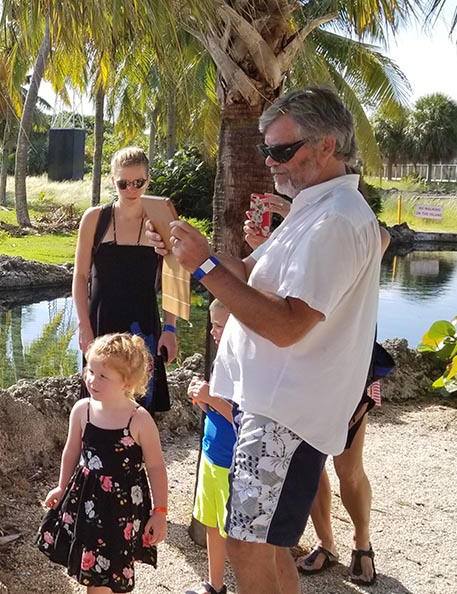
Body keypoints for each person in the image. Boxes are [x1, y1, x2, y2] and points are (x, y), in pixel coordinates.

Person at [149, 86, 382, 594]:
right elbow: (250, 270)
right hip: (273, 406)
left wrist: (204, 266)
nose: (271, 162)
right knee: (266, 544)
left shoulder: (338, 220)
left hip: (287, 414)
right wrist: (186, 248)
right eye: (266, 150)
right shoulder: (312, 208)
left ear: (327, 146)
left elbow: (288, 324)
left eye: (282, 150)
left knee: (247, 544)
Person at [246, 192, 391, 586]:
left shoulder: (351, 221)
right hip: (305, 372)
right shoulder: (306, 229)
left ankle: (362, 541)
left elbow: (380, 238)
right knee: (307, 464)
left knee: (348, 467)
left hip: (354, 372)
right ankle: (326, 543)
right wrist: (269, 248)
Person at [37, 333, 169, 594]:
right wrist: (61, 487)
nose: (92, 380)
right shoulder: (82, 410)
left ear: (127, 382)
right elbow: (72, 450)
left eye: (103, 376)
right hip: (86, 499)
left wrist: (160, 512)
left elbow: (155, 467)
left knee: (113, 569)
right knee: (94, 574)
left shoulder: (139, 419)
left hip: (123, 506)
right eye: (90, 370)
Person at [72, 146, 178, 412]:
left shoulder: (160, 219)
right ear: (113, 182)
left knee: (142, 407)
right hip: (101, 323)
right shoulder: (95, 219)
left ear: (148, 181)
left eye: (138, 182)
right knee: (97, 406)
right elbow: (81, 276)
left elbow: (174, 277)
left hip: (143, 325)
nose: (131, 189)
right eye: (123, 183)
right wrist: (83, 326)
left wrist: (171, 328)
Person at [185, 299, 237, 594]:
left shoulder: (248, 366)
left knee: (238, 537)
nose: (212, 332)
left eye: (219, 325)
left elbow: (244, 418)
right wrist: (205, 401)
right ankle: (215, 585)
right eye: (212, 325)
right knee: (214, 526)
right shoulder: (222, 361)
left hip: (233, 463)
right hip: (211, 455)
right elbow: (219, 412)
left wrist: (211, 398)